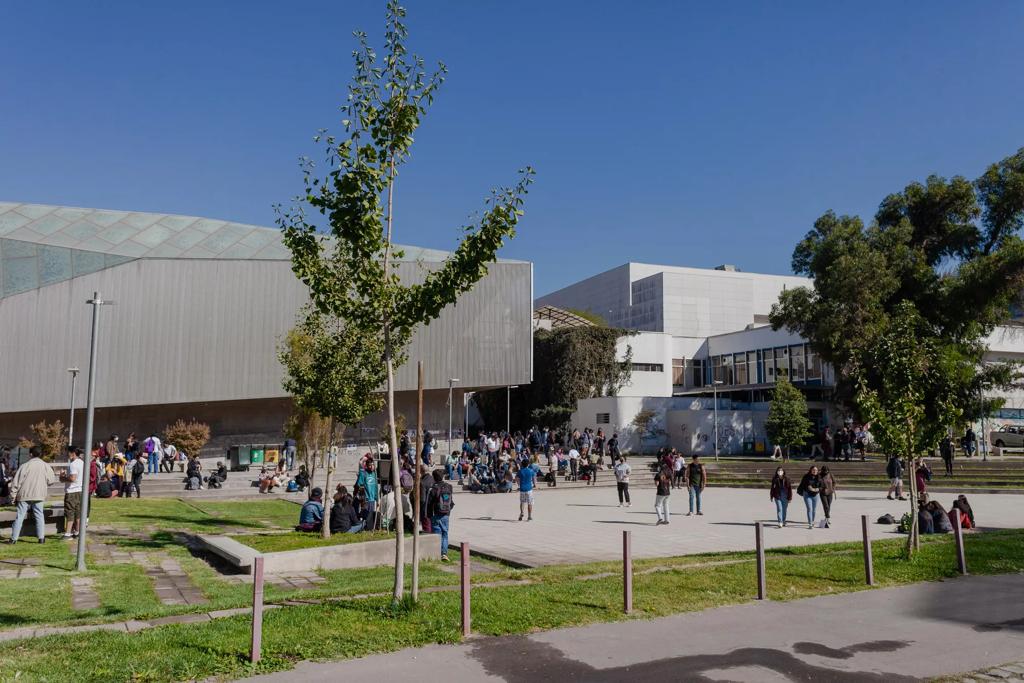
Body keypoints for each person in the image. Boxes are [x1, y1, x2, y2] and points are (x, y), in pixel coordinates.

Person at [5, 447, 57, 544]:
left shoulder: (25, 466)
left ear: (30, 454)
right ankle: (41, 538)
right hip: (39, 494)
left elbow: (16, 483)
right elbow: (51, 481)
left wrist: (13, 497)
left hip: (24, 494)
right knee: (39, 516)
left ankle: (13, 539)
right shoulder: (46, 466)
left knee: (20, 516)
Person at [426, 469, 454, 561]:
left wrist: (429, 516)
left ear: (434, 478)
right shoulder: (449, 487)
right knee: (445, 533)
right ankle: (444, 553)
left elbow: (429, 504)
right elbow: (451, 502)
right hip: (446, 514)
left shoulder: (433, 489)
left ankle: (437, 553)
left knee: (438, 534)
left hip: (436, 514)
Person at [60, 446, 84, 538]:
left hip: (72, 491)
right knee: (78, 512)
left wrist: (62, 477)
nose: (67, 454)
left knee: (69, 512)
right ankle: (77, 532)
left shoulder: (73, 464)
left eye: (68, 452)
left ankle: (67, 533)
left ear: (73, 453)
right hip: (80, 490)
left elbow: (72, 478)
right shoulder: (82, 462)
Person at [355, 460, 380, 529]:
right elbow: (359, 484)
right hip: (366, 499)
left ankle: (369, 528)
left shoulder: (374, 474)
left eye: (373, 465)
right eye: (370, 465)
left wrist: (377, 499)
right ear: (367, 466)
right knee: (365, 515)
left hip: (372, 499)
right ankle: (363, 528)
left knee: (370, 515)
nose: (372, 467)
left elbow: (376, 488)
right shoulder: (363, 473)